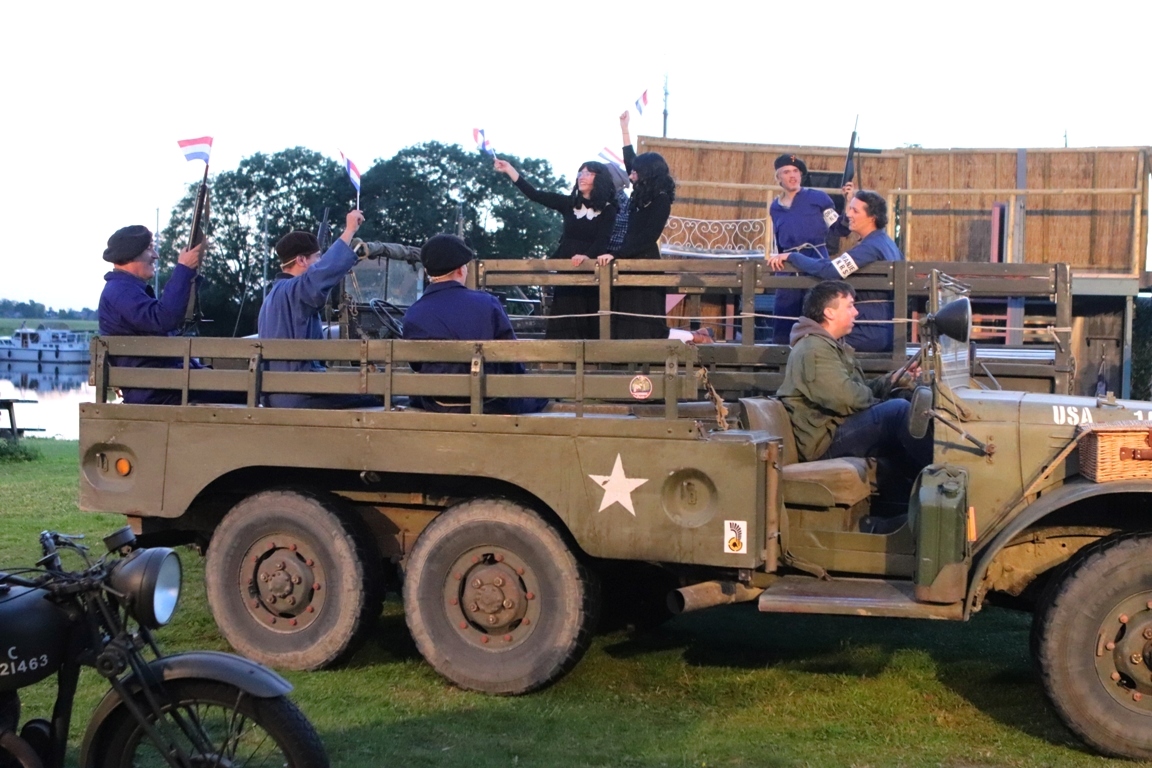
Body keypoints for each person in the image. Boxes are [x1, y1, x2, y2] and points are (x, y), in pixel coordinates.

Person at [776, 280, 930, 473]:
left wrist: (891, 380)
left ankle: (914, 483)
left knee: (906, 402)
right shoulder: (813, 349)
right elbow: (846, 398)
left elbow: (854, 390)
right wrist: (880, 402)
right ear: (829, 312)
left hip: (836, 428)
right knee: (898, 411)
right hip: (823, 442)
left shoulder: (829, 346)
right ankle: (941, 473)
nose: (856, 312)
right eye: (849, 306)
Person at [402, 234, 548, 414]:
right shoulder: (488, 303)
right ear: (460, 270)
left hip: (438, 403)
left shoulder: (413, 313)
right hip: (489, 402)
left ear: (427, 272)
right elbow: (511, 358)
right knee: (543, 393)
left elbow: (416, 365)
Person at [258, 209, 380, 409]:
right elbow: (322, 274)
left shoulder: (273, 296)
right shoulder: (294, 291)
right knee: (380, 395)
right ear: (301, 260)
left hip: (279, 392)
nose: (319, 263)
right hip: (299, 392)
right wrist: (349, 230)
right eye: (317, 258)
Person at [494, 158, 617, 340]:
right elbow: (535, 194)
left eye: (588, 173)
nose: (582, 177)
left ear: (600, 179)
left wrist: (587, 256)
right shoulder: (568, 203)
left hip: (590, 272)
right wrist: (510, 169)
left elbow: (603, 240)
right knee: (564, 315)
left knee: (588, 317)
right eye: (580, 172)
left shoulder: (608, 209)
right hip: (566, 267)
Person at [768, 190, 903, 352]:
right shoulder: (887, 243)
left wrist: (793, 256)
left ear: (872, 218)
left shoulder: (869, 248)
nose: (848, 214)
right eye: (850, 208)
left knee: (809, 342)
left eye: (855, 210)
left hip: (868, 330)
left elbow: (831, 271)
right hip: (886, 329)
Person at [98, 226, 217, 405]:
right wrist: (184, 269)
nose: (155, 255)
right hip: (157, 390)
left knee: (238, 384)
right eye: (149, 248)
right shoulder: (121, 292)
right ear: (131, 253)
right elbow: (163, 318)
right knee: (248, 388)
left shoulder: (124, 289)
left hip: (160, 385)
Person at [598, 110, 675, 340]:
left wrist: (617, 253)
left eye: (635, 172)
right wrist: (625, 129)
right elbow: (629, 159)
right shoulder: (642, 192)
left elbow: (648, 236)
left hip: (644, 261)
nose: (630, 175)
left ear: (647, 173)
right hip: (628, 258)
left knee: (644, 323)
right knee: (623, 320)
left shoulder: (661, 200)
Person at [766, 154, 850, 344]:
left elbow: (840, 229)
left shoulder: (818, 198)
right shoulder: (775, 208)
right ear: (778, 178)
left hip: (815, 260)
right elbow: (779, 242)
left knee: (817, 311)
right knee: (783, 314)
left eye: (796, 171)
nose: (792, 175)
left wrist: (848, 200)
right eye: (787, 172)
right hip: (788, 265)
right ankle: (781, 355)